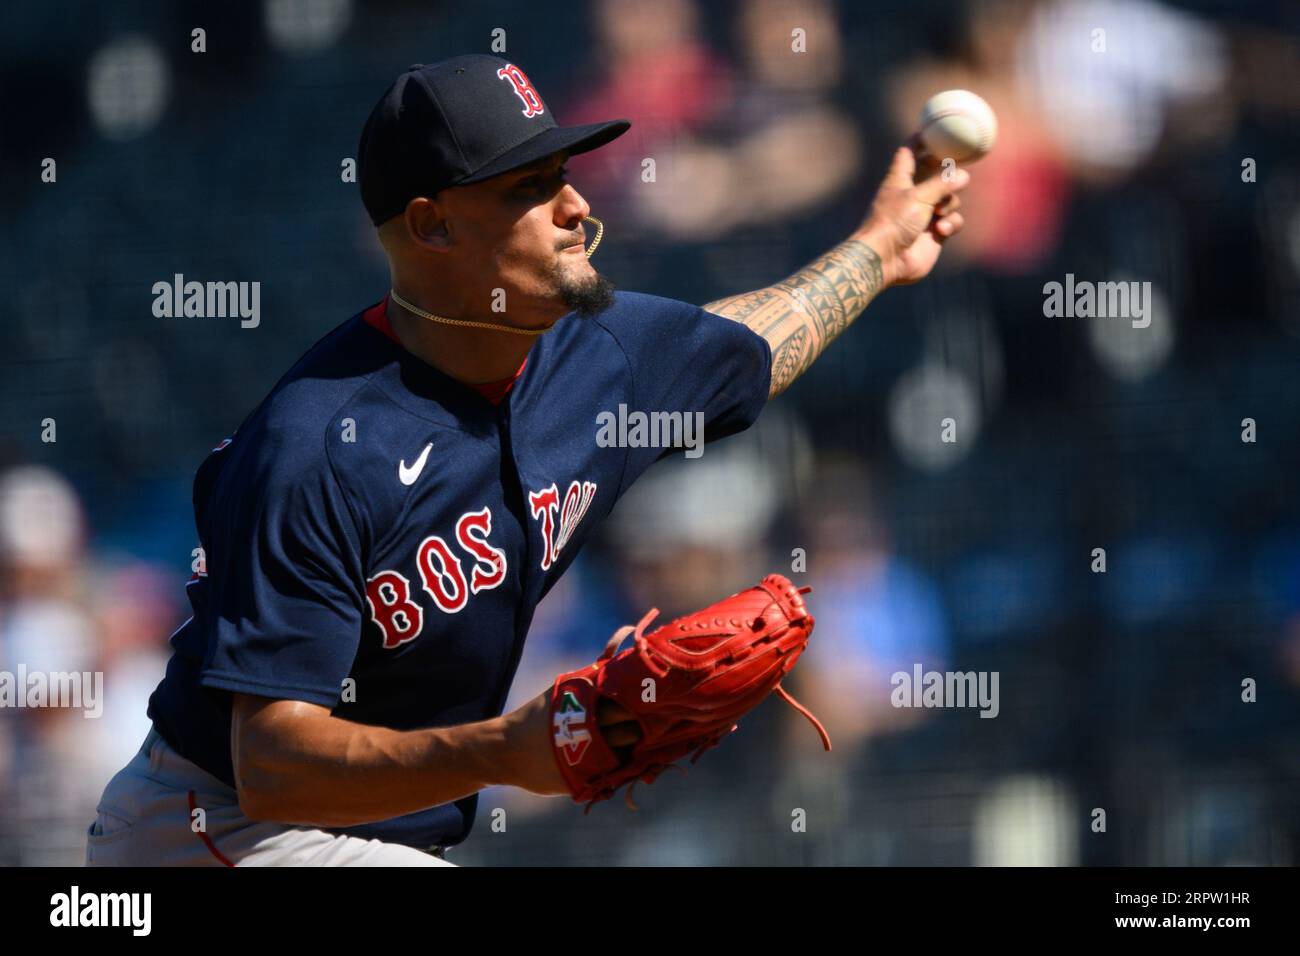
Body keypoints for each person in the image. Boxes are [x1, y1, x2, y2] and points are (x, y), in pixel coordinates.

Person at [85, 53, 969, 866]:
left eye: (567, 176)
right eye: (530, 187)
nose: (576, 207)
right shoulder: (318, 448)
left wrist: (882, 248)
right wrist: (507, 751)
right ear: (431, 227)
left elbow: (750, 341)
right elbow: (273, 764)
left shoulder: (598, 358)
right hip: (221, 828)